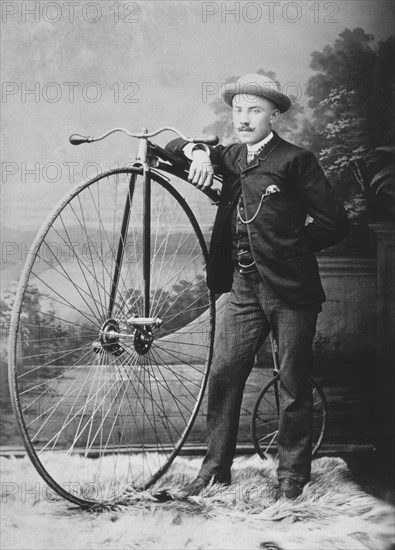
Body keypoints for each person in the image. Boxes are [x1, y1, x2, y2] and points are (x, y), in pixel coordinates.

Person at [165, 73, 349, 501]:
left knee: (292, 383)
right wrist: (196, 152)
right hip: (243, 287)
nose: (244, 119)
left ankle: (292, 477)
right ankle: (214, 470)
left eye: (255, 110)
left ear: (274, 114)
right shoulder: (232, 156)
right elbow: (176, 149)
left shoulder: (295, 159)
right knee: (225, 373)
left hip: (291, 291)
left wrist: (292, 248)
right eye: (238, 110)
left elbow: (335, 222)